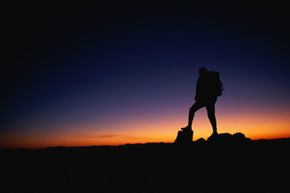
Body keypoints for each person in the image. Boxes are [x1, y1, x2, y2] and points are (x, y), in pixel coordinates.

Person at [181, 67, 223, 138]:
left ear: (203, 72)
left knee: (193, 110)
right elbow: (199, 89)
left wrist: (198, 96)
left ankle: (190, 127)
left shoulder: (206, 78)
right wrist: (197, 96)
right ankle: (214, 131)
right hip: (209, 99)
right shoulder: (204, 78)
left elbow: (202, 89)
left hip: (206, 99)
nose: (199, 73)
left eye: (200, 72)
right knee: (210, 114)